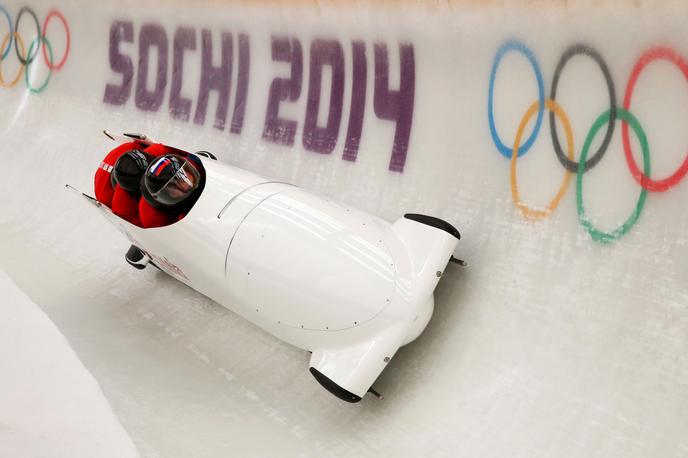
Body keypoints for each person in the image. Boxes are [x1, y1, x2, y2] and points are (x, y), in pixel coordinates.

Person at [139, 154, 204, 228]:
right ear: (166, 196)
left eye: (182, 177)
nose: (184, 186)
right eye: (172, 186)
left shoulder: (195, 161)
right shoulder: (183, 220)